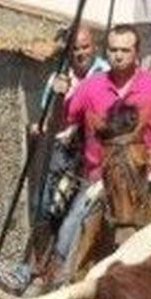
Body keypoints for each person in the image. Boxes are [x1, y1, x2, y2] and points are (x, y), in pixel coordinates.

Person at [54, 23, 151, 268]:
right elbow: (62, 122)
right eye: (113, 49)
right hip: (100, 182)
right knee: (65, 240)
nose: (118, 55)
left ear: (137, 52)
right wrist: (58, 96)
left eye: (125, 50)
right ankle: (60, 293)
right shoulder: (89, 88)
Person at [31, 26, 107, 237]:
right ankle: (43, 259)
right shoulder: (58, 79)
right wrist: (42, 124)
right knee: (42, 204)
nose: (81, 53)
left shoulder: (106, 74)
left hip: (98, 148)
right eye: (75, 49)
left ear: (94, 48)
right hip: (65, 150)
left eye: (85, 47)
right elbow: (49, 120)